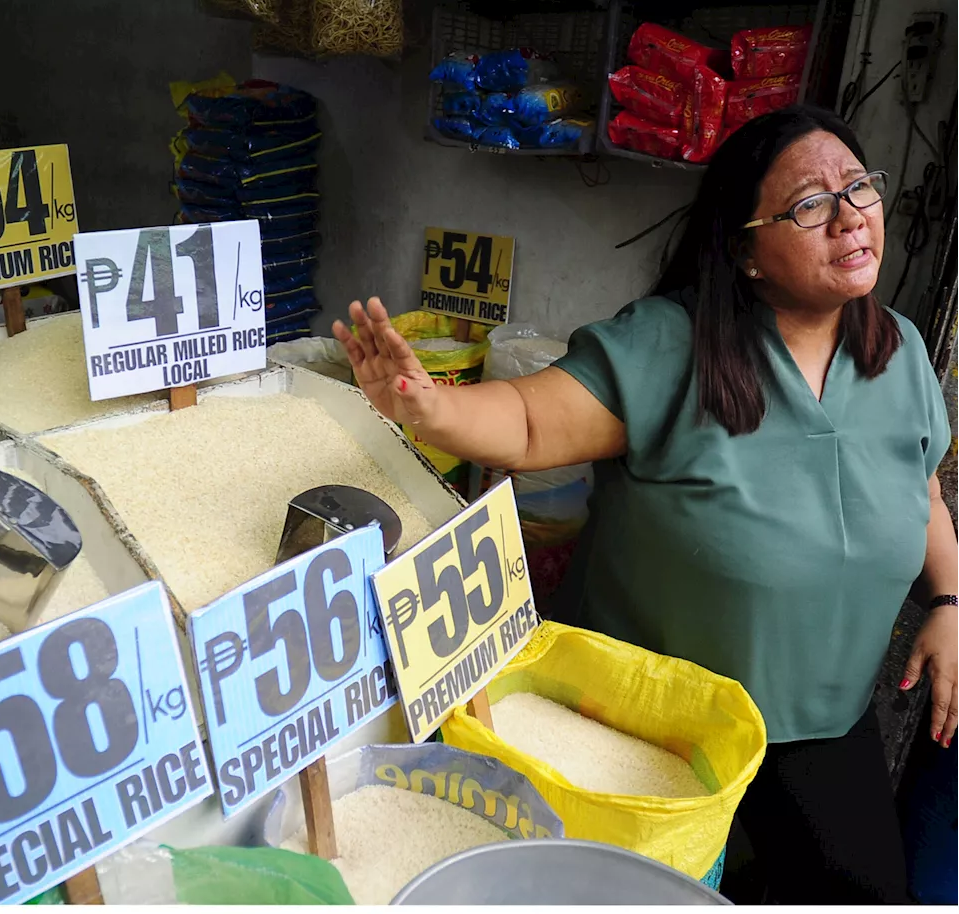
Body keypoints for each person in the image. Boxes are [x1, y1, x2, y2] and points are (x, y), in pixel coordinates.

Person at [333, 105, 959, 904]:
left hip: (818, 716)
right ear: (747, 249)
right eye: (810, 203)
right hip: (641, 727)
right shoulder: (671, 345)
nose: (849, 217)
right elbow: (526, 422)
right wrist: (428, 408)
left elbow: (921, 486)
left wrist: (948, 599)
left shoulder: (898, 350)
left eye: (858, 188)